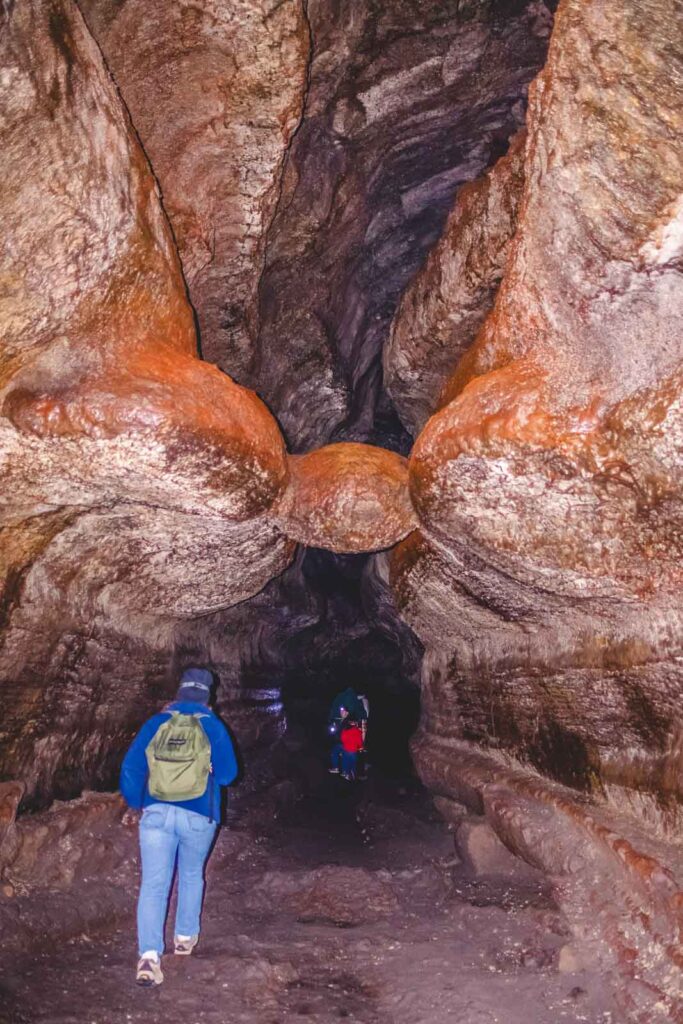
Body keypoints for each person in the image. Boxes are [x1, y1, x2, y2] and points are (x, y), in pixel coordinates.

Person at [120, 666, 238, 987]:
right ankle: (184, 938)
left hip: (156, 812)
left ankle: (148, 956)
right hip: (199, 814)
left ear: (180, 690)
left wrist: (138, 801)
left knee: (154, 883)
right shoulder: (213, 726)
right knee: (190, 873)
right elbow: (228, 775)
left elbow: (131, 767)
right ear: (207, 695)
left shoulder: (157, 722)